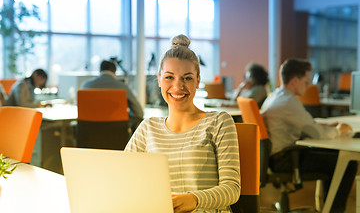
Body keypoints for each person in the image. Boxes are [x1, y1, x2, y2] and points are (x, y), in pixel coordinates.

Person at [125, 34, 240, 213]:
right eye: (169, 77)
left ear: (198, 80)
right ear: (159, 79)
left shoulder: (219, 122)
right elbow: (122, 177)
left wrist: (194, 199)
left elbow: (232, 189)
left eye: (187, 78)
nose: (177, 86)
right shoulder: (148, 127)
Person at [261, 58, 357, 213]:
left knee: (333, 156)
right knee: (347, 163)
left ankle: (327, 207)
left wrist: (325, 125)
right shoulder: (289, 102)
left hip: (276, 156)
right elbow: (316, 133)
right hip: (286, 159)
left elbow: (306, 123)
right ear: (294, 80)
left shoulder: (276, 95)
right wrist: (339, 129)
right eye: (306, 82)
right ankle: (333, 210)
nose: (308, 86)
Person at [80, 60, 144, 130]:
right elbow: (139, 113)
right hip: (117, 133)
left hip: (89, 133)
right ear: (114, 71)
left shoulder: (86, 86)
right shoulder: (122, 87)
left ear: (100, 70)